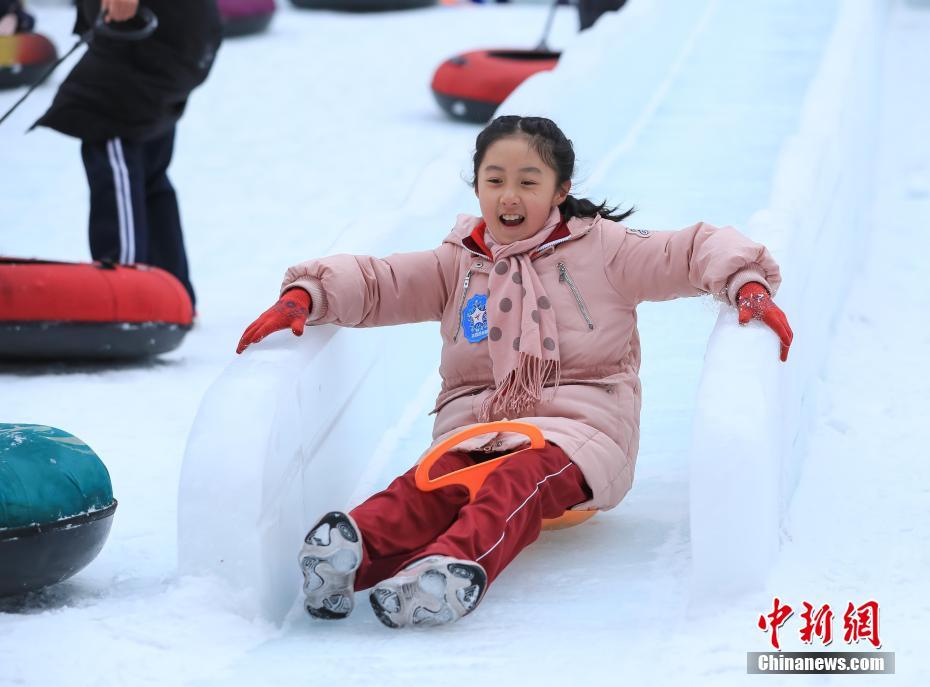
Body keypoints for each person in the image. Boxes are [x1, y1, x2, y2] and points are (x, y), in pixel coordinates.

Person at [236, 115, 793, 629]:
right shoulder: (458, 262)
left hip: (583, 429)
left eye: (529, 181)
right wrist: (306, 295)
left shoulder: (605, 251)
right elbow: (381, 281)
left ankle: (448, 570)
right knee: (433, 484)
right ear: (476, 187)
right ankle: (348, 556)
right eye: (494, 179)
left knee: (514, 479)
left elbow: (691, 250)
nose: (509, 196)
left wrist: (744, 280)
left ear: (560, 190)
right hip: (478, 424)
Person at [34, 0, 222, 308]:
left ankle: (126, 295)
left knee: (108, 131)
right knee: (148, 165)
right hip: (170, 34)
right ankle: (171, 294)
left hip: (145, 30)